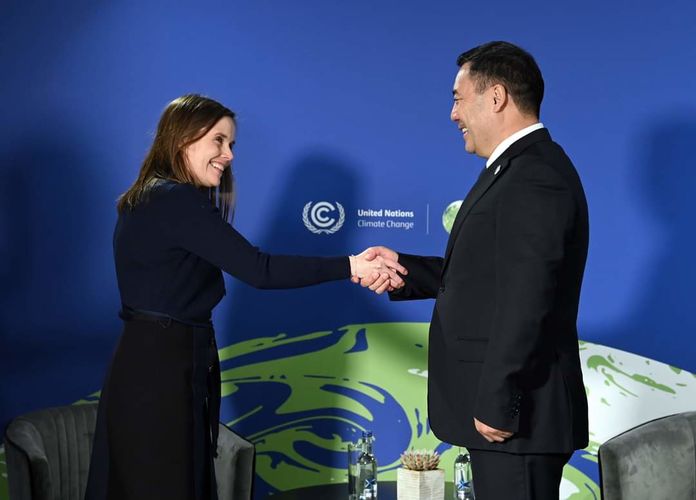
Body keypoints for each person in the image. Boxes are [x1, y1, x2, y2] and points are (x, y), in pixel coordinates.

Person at [84, 94, 405, 500]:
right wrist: (351, 265)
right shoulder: (174, 200)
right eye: (218, 141)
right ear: (182, 139)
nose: (229, 155)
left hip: (156, 363)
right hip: (160, 372)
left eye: (231, 143)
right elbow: (260, 270)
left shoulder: (155, 197)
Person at [357, 41, 589, 499]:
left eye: (458, 99)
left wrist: (500, 399)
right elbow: (492, 274)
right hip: (513, 422)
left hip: (518, 420)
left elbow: (528, 295)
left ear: (496, 97)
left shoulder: (534, 175)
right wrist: (404, 269)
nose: (453, 114)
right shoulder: (515, 169)